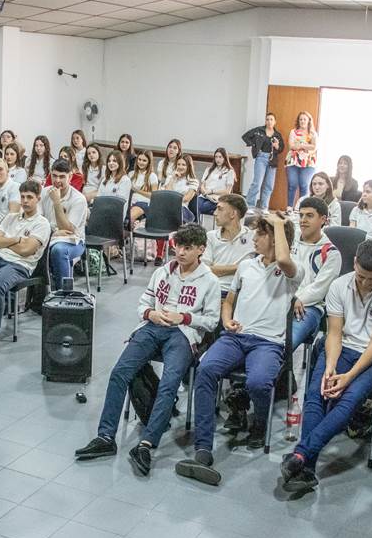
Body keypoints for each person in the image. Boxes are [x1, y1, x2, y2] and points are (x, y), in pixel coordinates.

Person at [75, 224, 221, 475]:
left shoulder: (210, 281)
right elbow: (144, 301)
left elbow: (211, 320)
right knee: (120, 371)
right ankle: (106, 437)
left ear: (201, 249)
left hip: (183, 335)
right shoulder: (163, 271)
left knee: (170, 383)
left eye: (187, 248)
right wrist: (150, 313)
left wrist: (183, 318)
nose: (181, 252)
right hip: (152, 326)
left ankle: (146, 444)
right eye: (178, 247)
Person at [178, 214, 301, 485]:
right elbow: (229, 299)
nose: (253, 238)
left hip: (268, 343)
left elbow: (282, 259)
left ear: (277, 238)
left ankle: (258, 425)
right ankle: (203, 447)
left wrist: (280, 224)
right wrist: (226, 320)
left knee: (259, 382)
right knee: (206, 369)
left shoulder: (292, 270)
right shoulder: (247, 266)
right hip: (236, 337)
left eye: (260, 234)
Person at [281, 240, 372, 492]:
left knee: (348, 400)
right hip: (343, 347)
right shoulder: (339, 285)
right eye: (361, 276)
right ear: (355, 263)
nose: (366, 282)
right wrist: (330, 366)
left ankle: (301, 454)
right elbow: (335, 333)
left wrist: (348, 376)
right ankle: (306, 466)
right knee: (316, 393)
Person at [0, 180, 51, 362]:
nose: (25, 201)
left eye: (29, 197)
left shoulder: (42, 223)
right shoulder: (11, 217)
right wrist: (17, 239)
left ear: (38, 198)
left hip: (20, 266)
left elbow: (26, 251)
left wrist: (7, 241)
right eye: (22, 197)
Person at [290, 197, 341, 352]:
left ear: (323, 219)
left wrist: (296, 300)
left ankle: (285, 375)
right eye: (301, 215)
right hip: (281, 299)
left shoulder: (331, 253)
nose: (303, 220)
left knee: (285, 344)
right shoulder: (289, 239)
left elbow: (319, 289)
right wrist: (289, 300)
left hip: (309, 306)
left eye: (309, 216)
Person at [40, 159, 88, 286]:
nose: (57, 181)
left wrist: (56, 202)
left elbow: (68, 230)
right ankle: (38, 296)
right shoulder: (44, 192)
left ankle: (64, 294)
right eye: (54, 176)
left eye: (62, 177)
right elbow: (37, 221)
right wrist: (53, 233)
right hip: (49, 236)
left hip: (74, 241)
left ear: (70, 177)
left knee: (58, 250)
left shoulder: (78, 199)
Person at [201, 194, 254, 296]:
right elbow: (206, 270)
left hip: (240, 294)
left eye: (220, 209)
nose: (215, 213)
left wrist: (218, 269)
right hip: (212, 291)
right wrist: (240, 267)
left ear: (233, 214)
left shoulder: (252, 237)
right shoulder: (210, 236)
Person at [241, 113, 284, 210]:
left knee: (269, 185)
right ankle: (249, 206)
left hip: (272, 160)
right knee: (257, 183)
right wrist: (253, 145)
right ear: (265, 121)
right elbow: (245, 137)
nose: (269, 121)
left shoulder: (277, 135)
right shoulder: (259, 130)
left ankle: (264, 207)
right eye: (267, 119)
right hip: (261, 158)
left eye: (271, 119)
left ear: (275, 122)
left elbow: (281, 148)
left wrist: (277, 146)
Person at [285, 111, 317, 209]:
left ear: (308, 121)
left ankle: (301, 208)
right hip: (293, 161)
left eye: (304, 119)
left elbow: (314, 147)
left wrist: (300, 145)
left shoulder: (313, 133)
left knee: (304, 185)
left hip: (308, 163)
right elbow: (291, 146)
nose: (302, 121)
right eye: (301, 119)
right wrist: (307, 146)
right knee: (292, 184)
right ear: (298, 121)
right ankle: (289, 207)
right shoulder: (293, 132)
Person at [197, 147, 236, 217]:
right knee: (195, 206)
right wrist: (204, 192)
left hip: (217, 198)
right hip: (204, 196)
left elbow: (227, 191)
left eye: (220, 157)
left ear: (225, 158)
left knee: (200, 208)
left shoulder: (230, 171)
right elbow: (202, 185)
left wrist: (211, 191)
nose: (218, 159)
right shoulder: (209, 169)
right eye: (216, 157)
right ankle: (215, 212)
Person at [163, 153, 199, 223]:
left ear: (188, 166)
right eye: (178, 164)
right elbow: (167, 194)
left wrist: (172, 200)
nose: (180, 167)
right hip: (168, 207)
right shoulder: (171, 177)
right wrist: (173, 179)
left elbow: (186, 198)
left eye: (183, 165)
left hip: (182, 208)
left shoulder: (193, 181)